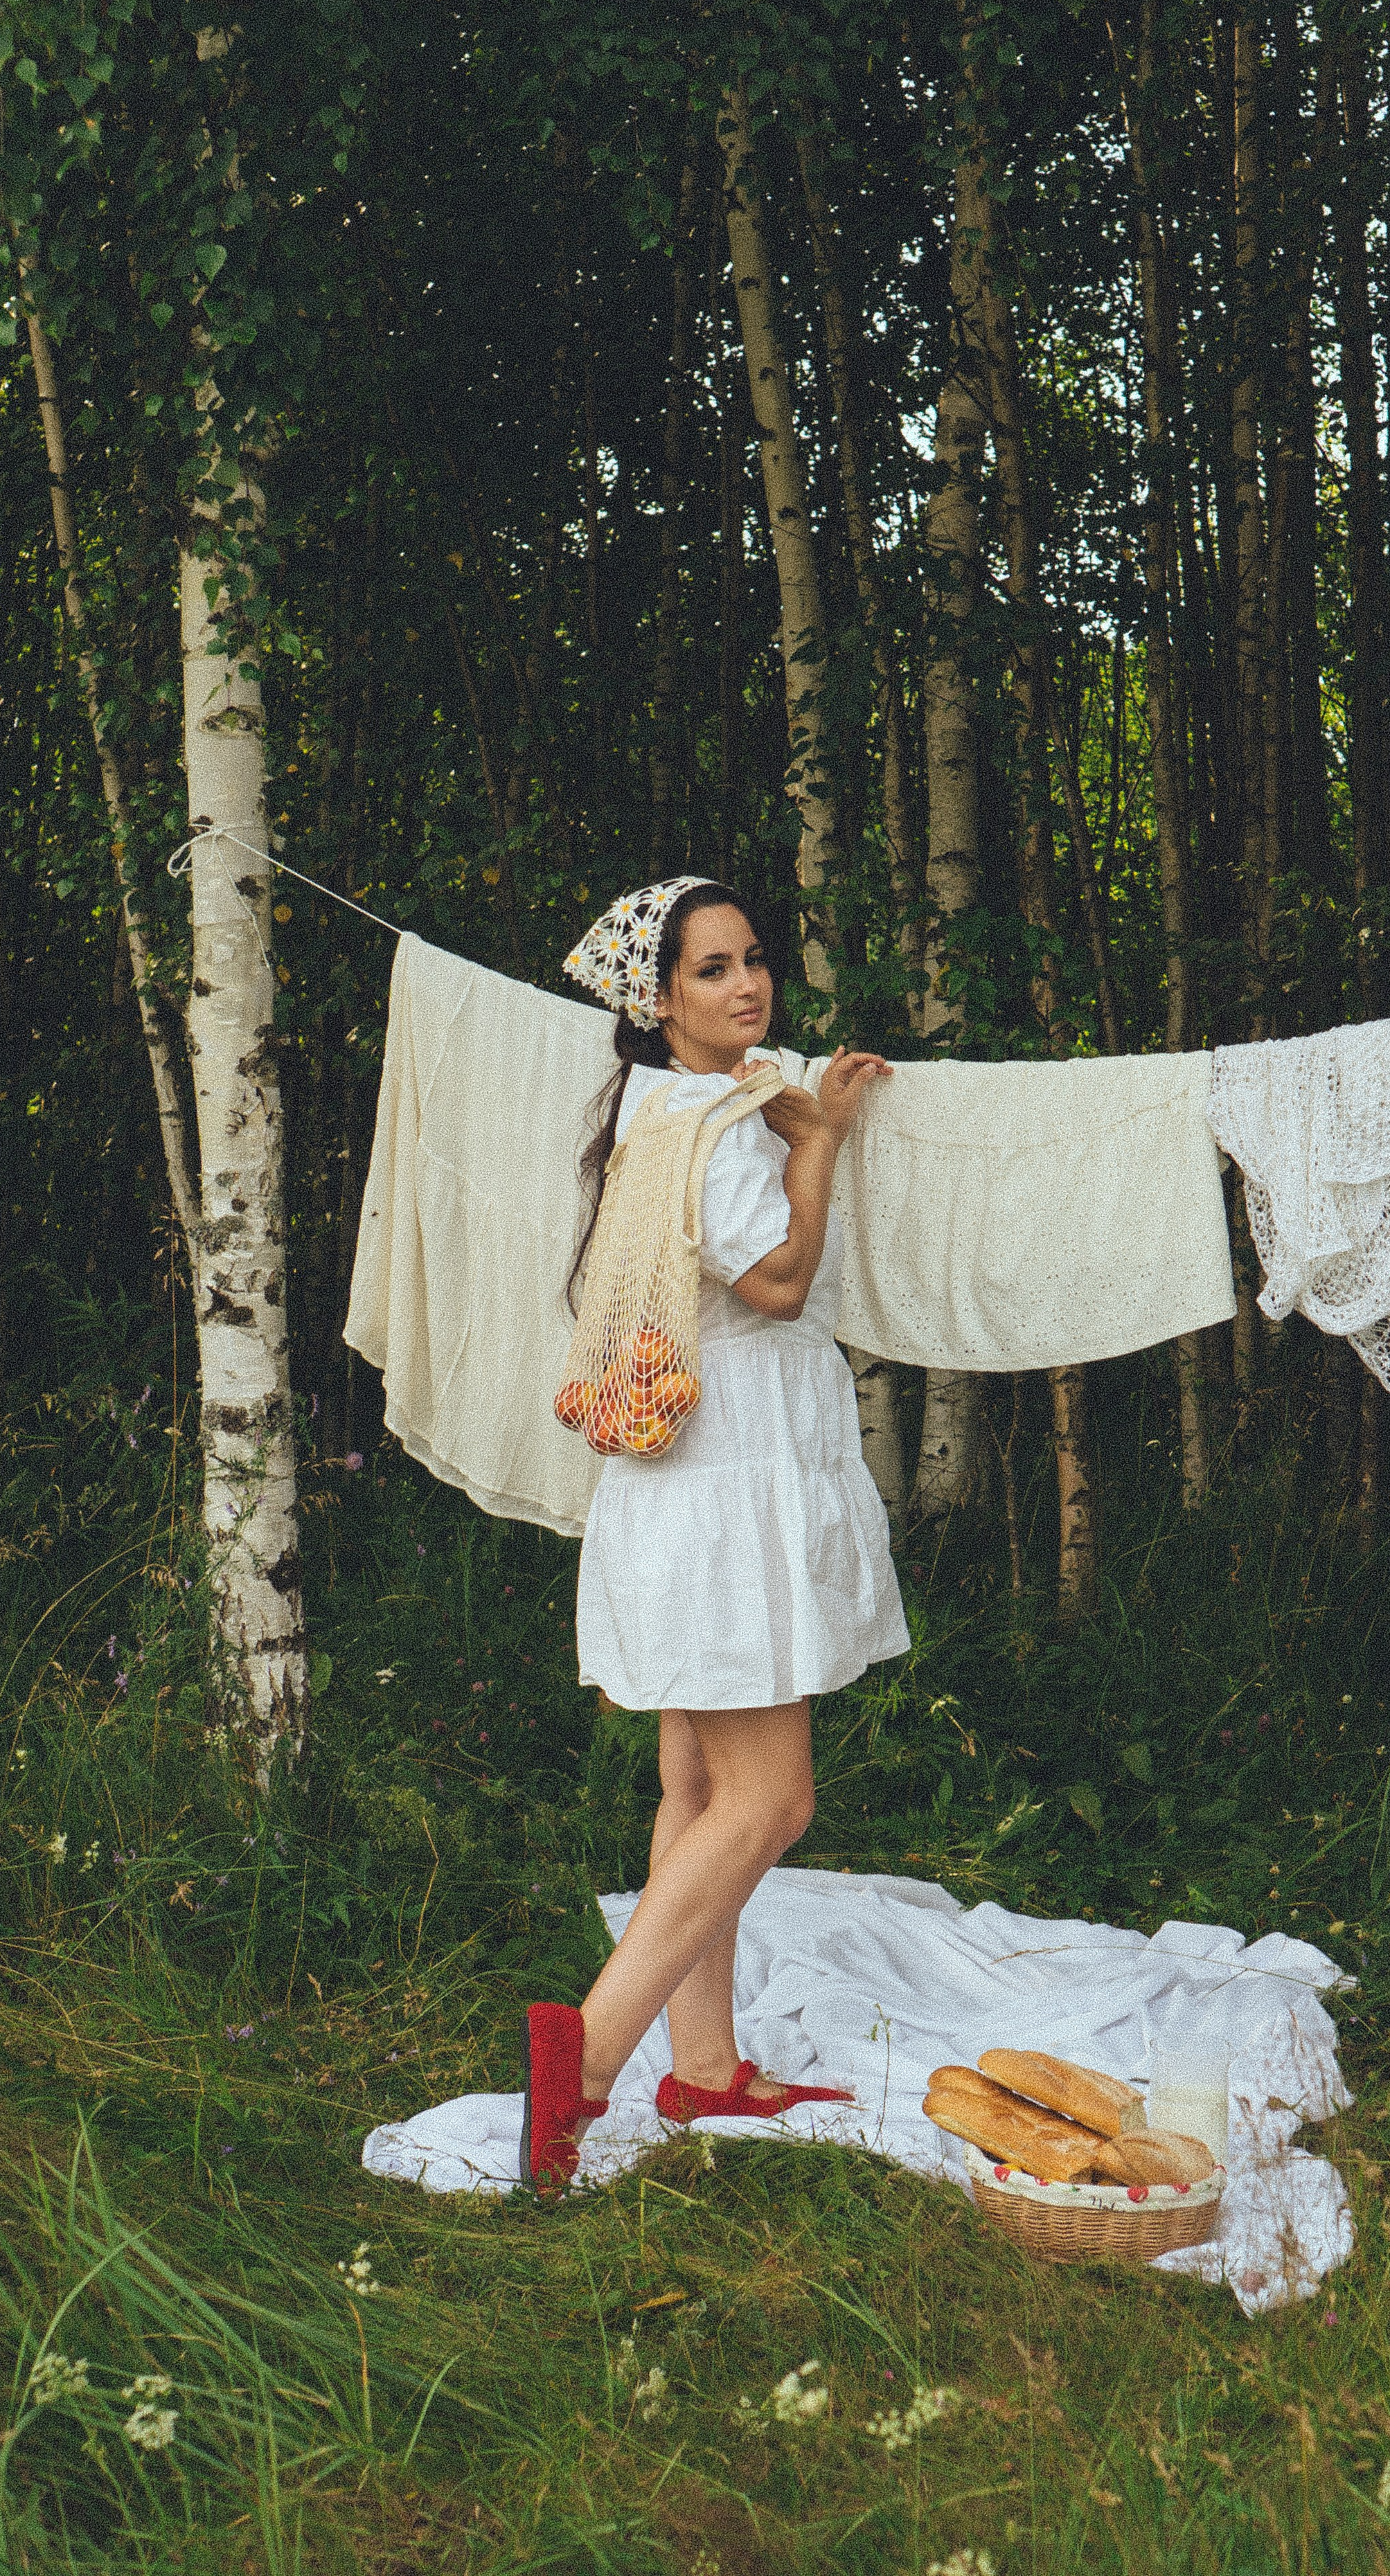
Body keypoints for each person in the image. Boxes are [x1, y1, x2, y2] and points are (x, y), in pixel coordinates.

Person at [521, 875, 909, 2190]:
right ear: (659, 1000)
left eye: (755, 962)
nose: (748, 988)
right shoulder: (712, 1122)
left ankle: (703, 2067)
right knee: (772, 1798)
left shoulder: (685, 1100)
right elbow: (782, 1286)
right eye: (711, 973)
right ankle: (587, 2054)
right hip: (729, 1480)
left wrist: (792, 1109)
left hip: (700, 1477)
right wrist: (821, 1142)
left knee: (694, 1790)